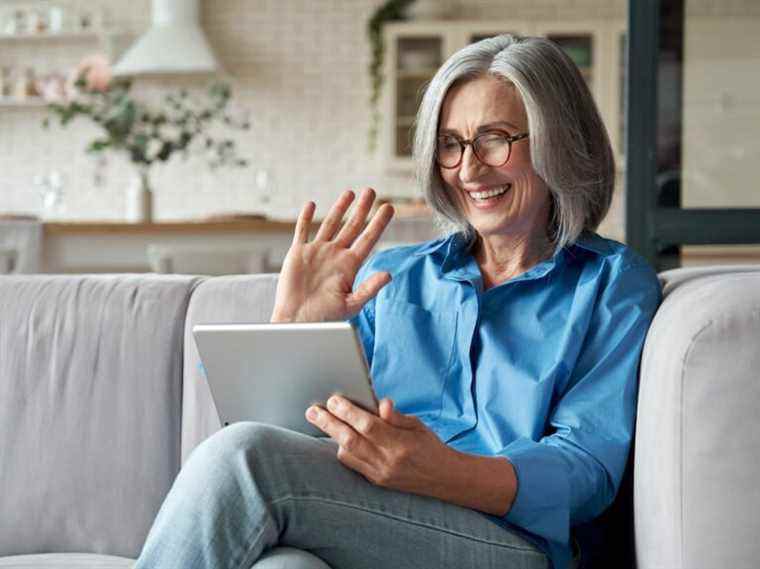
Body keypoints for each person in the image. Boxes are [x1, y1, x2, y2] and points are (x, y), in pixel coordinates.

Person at [135, 34, 661, 569]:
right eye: (451, 145)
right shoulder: (394, 274)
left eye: (495, 139)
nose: (469, 170)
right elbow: (295, 440)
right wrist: (292, 327)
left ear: (560, 141)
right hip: (373, 522)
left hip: (511, 542)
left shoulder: (611, 284)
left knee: (243, 460)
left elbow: (587, 471)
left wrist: (444, 471)